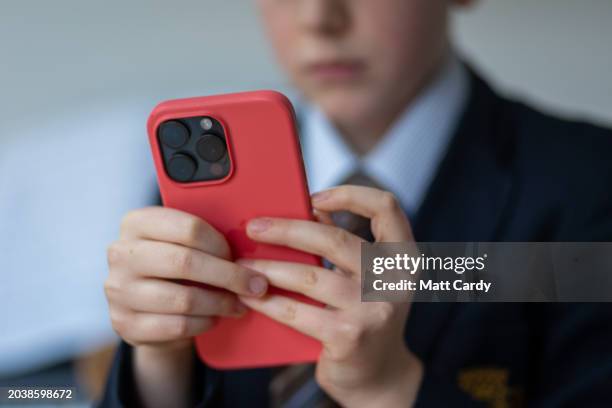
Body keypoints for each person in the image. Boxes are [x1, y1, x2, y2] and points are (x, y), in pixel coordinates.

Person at [101, 0, 612, 406]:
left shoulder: (589, 180)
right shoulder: (199, 180)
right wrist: (161, 363)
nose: (319, 18)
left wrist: (391, 390)